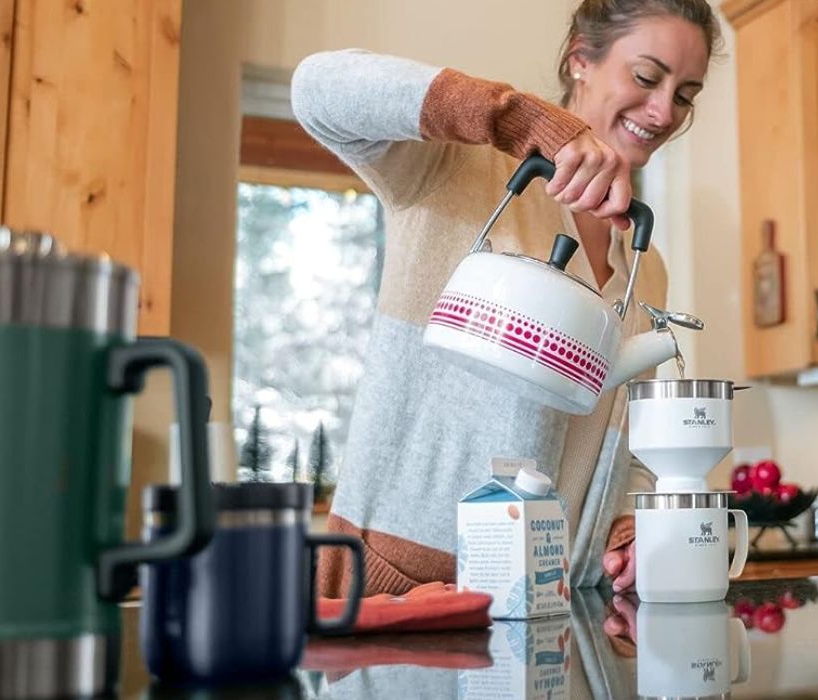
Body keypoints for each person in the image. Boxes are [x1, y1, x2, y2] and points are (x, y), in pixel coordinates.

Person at [290, 0, 719, 595]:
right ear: (580, 60)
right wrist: (523, 122)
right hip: (401, 585)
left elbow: (630, 445)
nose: (663, 109)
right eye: (647, 78)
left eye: (685, 94)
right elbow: (318, 89)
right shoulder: (458, 171)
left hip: (552, 603)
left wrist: (628, 527)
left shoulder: (647, 266)